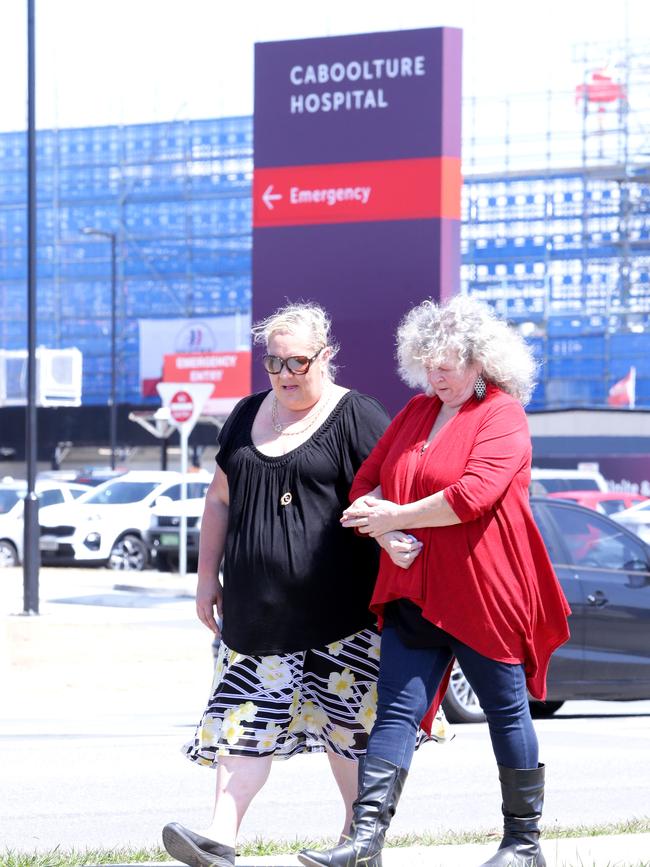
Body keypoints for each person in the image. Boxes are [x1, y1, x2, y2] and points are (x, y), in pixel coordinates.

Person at [162, 302, 450, 867]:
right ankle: (220, 839)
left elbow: (390, 497)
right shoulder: (245, 415)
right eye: (274, 363)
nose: (285, 374)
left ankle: (357, 843)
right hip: (254, 615)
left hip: (342, 618)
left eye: (297, 362)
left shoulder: (357, 415)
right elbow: (219, 499)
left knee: (352, 737)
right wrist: (204, 579)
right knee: (243, 725)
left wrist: (396, 540)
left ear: (325, 356)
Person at [299, 295, 571, 867]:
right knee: (395, 713)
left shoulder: (502, 414)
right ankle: (364, 843)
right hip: (413, 587)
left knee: (505, 711)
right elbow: (364, 486)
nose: (435, 373)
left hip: (482, 590)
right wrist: (381, 533)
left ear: (481, 363)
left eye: (447, 363)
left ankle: (523, 845)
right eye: (427, 362)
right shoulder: (417, 411)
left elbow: (472, 497)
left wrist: (393, 517)